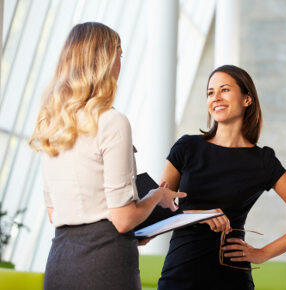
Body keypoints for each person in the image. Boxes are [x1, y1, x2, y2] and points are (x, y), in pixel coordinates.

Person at [29, 22, 186, 290]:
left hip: (60, 262)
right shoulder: (112, 121)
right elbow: (123, 219)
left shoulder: (52, 124)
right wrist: (156, 197)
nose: (120, 63)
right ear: (105, 60)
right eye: (119, 54)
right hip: (104, 264)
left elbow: (54, 212)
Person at [157, 65, 286, 290]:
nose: (215, 97)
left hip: (231, 279)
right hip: (179, 274)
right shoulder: (187, 147)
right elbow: (158, 211)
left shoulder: (262, 161)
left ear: (247, 99)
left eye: (224, 90)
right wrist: (197, 216)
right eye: (210, 92)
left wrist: (262, 253)